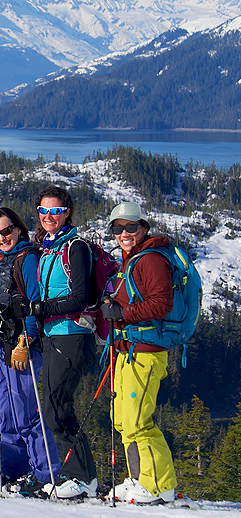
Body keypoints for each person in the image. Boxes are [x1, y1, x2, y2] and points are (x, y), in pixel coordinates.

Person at [0, 185, 98, 499]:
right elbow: (35, 289)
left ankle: (81, 478)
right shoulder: (49, 247)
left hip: (72, 335)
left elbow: (79, 298)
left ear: (67, 211)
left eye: (55, 210)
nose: (48, 216)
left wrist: (40, 310)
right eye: (43, 210)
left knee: (56, 408)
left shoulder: (75, 248)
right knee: (56, 407)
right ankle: (79, 477)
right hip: (54, 335)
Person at [100, 202, 178, 504]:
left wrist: (122, 312)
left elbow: (161, 304)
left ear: (143, 227)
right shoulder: (131, 261)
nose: (123, 233)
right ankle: (138, 479)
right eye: (117, 228)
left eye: (130, 227)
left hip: (145, 351)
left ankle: (159, 485)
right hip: (127, 350)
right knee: (123, 419)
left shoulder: (151, 260)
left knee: (138, 422)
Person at [0, 207, 60, 496]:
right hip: (2, 347)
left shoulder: (27, 259)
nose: (2, 238)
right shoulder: (4, 262)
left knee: (26, 414)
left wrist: (26, 340)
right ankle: (15, 474)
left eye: (6, 231)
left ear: (18, 229)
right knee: (6, 415)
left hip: (21, 348)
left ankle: (46, 475)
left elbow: (34, 302)